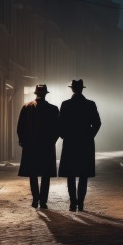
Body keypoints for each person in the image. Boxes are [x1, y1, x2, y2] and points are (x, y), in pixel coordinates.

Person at [58, 79, 101, 212]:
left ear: (72, 89)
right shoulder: (90, 104)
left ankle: (72, 203)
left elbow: (60, 123)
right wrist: (89, 136)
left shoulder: (65, 104)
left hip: (70, 143)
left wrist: (64, 135)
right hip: (85, 144)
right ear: (82, 89)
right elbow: (97, 123)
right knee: (83, 175)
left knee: (71, 175)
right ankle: (80, 203)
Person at [17, 84, 59, 209]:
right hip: (46, 146)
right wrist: (52, 141)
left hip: (31, 146)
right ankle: (43, 201)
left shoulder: (26, 107)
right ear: (46, 94)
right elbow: (57, 129)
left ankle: (35, 199)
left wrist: (23, 142)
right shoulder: (53, 109)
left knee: (33, 173)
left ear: (36, 93)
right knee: (46, 174)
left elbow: (20, 127)